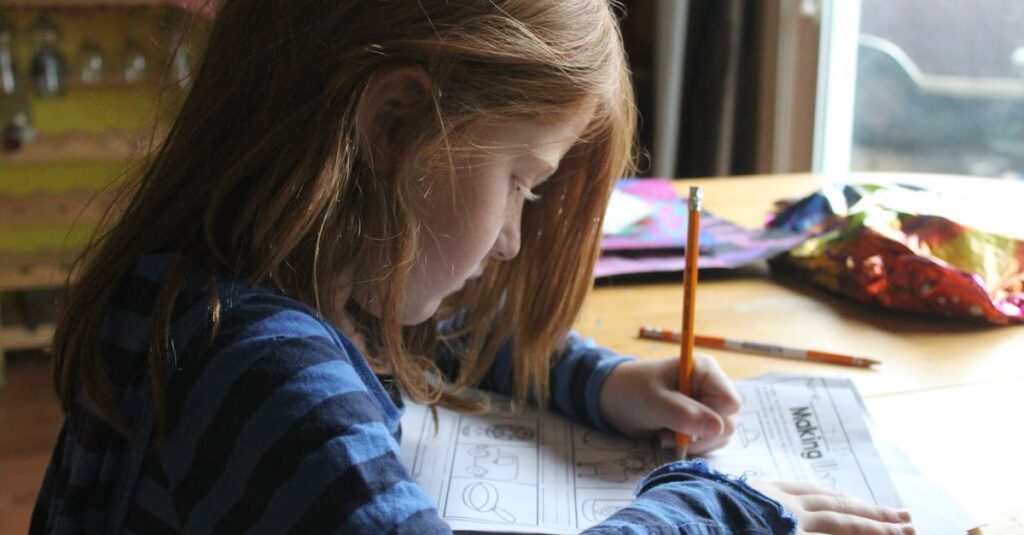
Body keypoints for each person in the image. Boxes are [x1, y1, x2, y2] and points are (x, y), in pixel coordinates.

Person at [31, 1, 915, 533]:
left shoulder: (246, 276)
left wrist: (600, 382)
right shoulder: (258, 370)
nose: (513, 242)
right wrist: (728, 507)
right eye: (521, 183)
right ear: (392, 124)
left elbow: (431, 329)